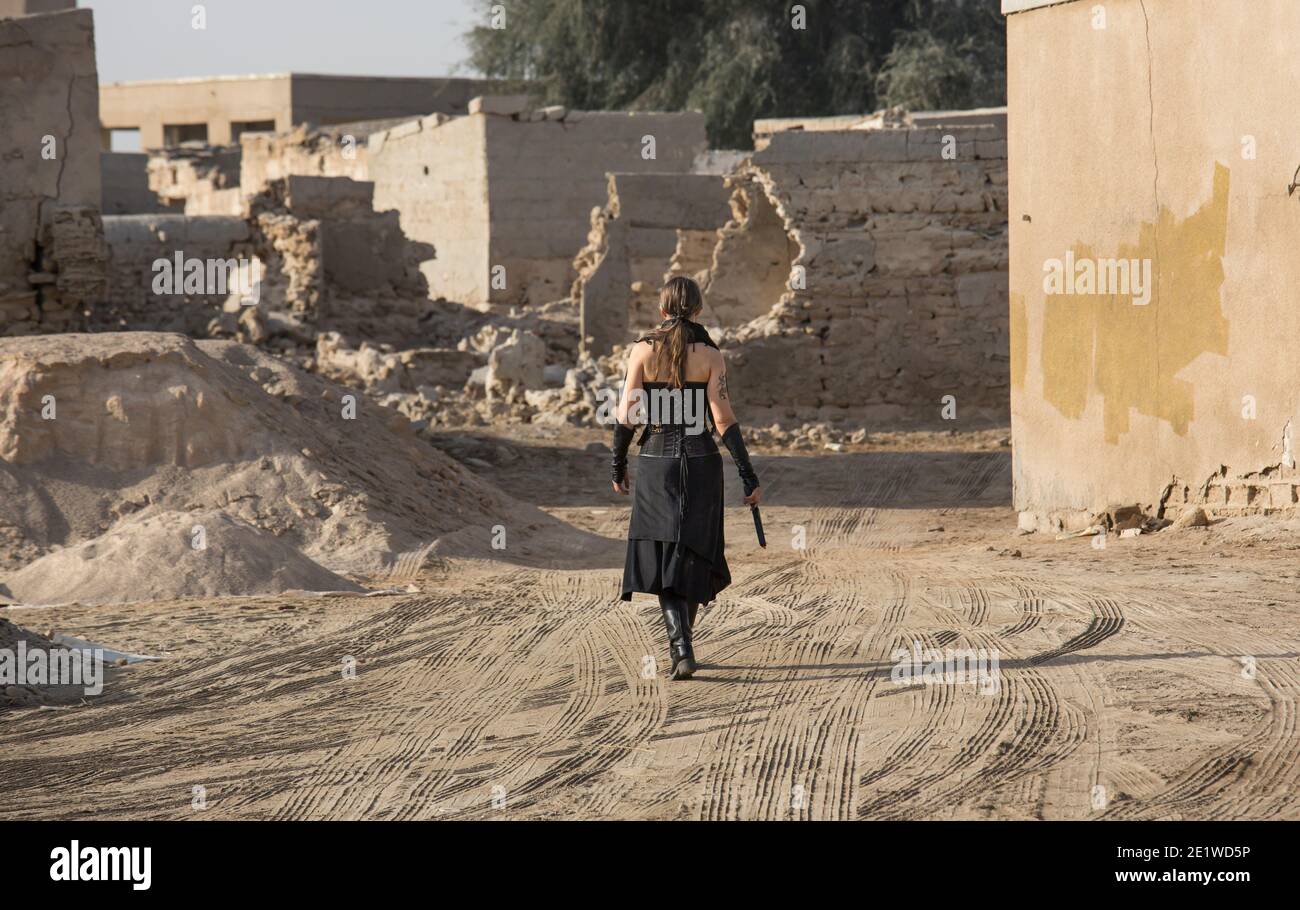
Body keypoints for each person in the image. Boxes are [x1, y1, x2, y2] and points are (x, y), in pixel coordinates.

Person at [610, 276, 761, 680]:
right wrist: (748, 476)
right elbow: (723, 420)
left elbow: (628, 414)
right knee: (691, 549)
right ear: (698, 310)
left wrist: (617, 464)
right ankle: (683, 646)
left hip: (657, 460)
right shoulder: (711, 356)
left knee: (664, 551)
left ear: (661, 310)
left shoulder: (641, 351)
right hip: (702, 461)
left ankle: (682, 648)